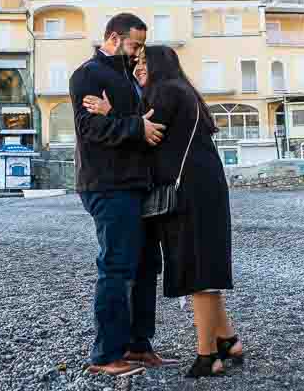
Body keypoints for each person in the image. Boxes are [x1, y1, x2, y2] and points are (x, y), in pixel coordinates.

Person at [84, 45, 242, 378]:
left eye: (143, 63)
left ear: (159, 64)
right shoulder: (183, 91)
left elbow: (147, 135)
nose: (138, 68)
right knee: (205, 267)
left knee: (198, 271)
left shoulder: (166, 92)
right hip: (204, 188)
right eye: (136, 63)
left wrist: (109, 114)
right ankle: (228, 340)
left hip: (191, 193)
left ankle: (207, 356)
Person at [69, 13, 169, 378]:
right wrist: (134, 125)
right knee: (116, 267)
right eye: (134, 45)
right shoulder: (88, 75)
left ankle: (138, 346)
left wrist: (127, 117)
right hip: (107, 184)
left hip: (136, 184)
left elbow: (144, 120)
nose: (139, 52)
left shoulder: (128, 77)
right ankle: (105, 354)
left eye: (141, 46)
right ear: (113, 38)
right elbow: (89, 127)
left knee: (145, 267)